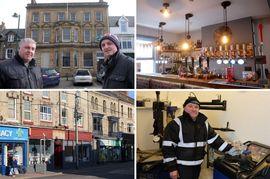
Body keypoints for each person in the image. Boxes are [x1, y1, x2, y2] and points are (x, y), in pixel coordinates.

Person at [162, 97, 238, 179]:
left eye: (196, 107)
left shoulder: (204, 124)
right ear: (184, 107)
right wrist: (172, 168)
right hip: (181, 167)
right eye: (190, 106)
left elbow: (215, 140)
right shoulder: (175, 124)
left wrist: (231, 149)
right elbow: (167, 147)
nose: (193, 109)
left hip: (197, 166)